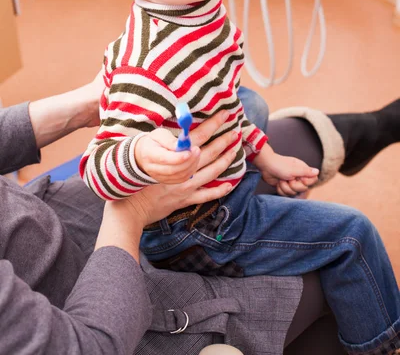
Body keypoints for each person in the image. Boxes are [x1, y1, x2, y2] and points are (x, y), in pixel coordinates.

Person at [68, 0, 400, 354]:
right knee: (352, 236)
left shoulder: (200, 10)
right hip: (194, 230)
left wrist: (265, 155)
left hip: (213, 184)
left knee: (250, 100)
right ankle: (380, 344)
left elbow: (223, 100)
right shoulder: (151, 68)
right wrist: (138, 154)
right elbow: (98, 171)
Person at [1, 78, 400, 354]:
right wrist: (134, 213)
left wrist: (85, 103)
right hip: (102, 311)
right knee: (349, 243)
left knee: (246, 105)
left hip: (49, 219)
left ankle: (369, 131)